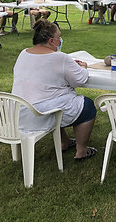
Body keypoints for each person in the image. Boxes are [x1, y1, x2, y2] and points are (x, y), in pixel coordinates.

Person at [11, 19, 97, 161]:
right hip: (39, 113)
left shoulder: (23, 54)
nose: (61, 41)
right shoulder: (60, 57)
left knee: (57, 100)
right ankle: (82, 150)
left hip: (18, 112)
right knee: (87, 106)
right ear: (51, 41)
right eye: (59, 38)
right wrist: (83, 67)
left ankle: (65, 142)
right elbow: (80, 79)